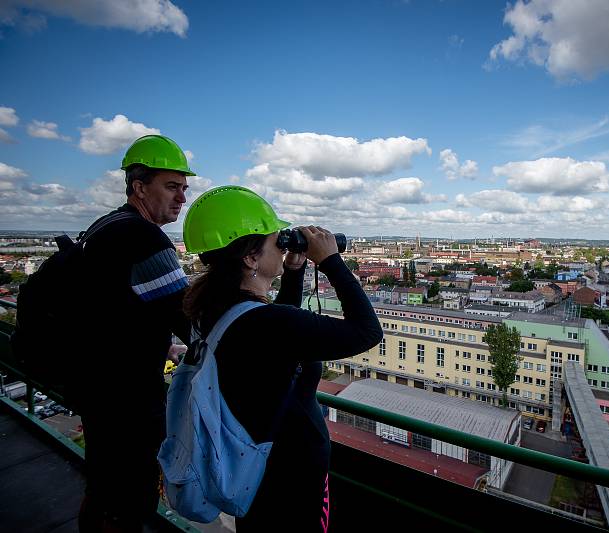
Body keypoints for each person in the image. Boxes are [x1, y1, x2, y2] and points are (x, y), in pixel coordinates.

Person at [182, 186, 382, 532]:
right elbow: (367, 331)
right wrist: (331, 262)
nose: (283, 245)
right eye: (278, 241)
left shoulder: (217, 310)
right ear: (250, 257)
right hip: (292, 478)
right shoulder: (266, 324)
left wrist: (293, 271)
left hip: (253, 471)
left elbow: (280, 343)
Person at [77, 135, 194, 532]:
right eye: (171, 186)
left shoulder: (104, 226)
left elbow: (116, 310)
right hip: (127, 397)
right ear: (139, 187)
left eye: (184, 188)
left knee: (104, 490)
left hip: (97, 386)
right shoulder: (143, 237)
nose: (182, 198)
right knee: (130, 498)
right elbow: (193, 320)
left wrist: (163, 343)